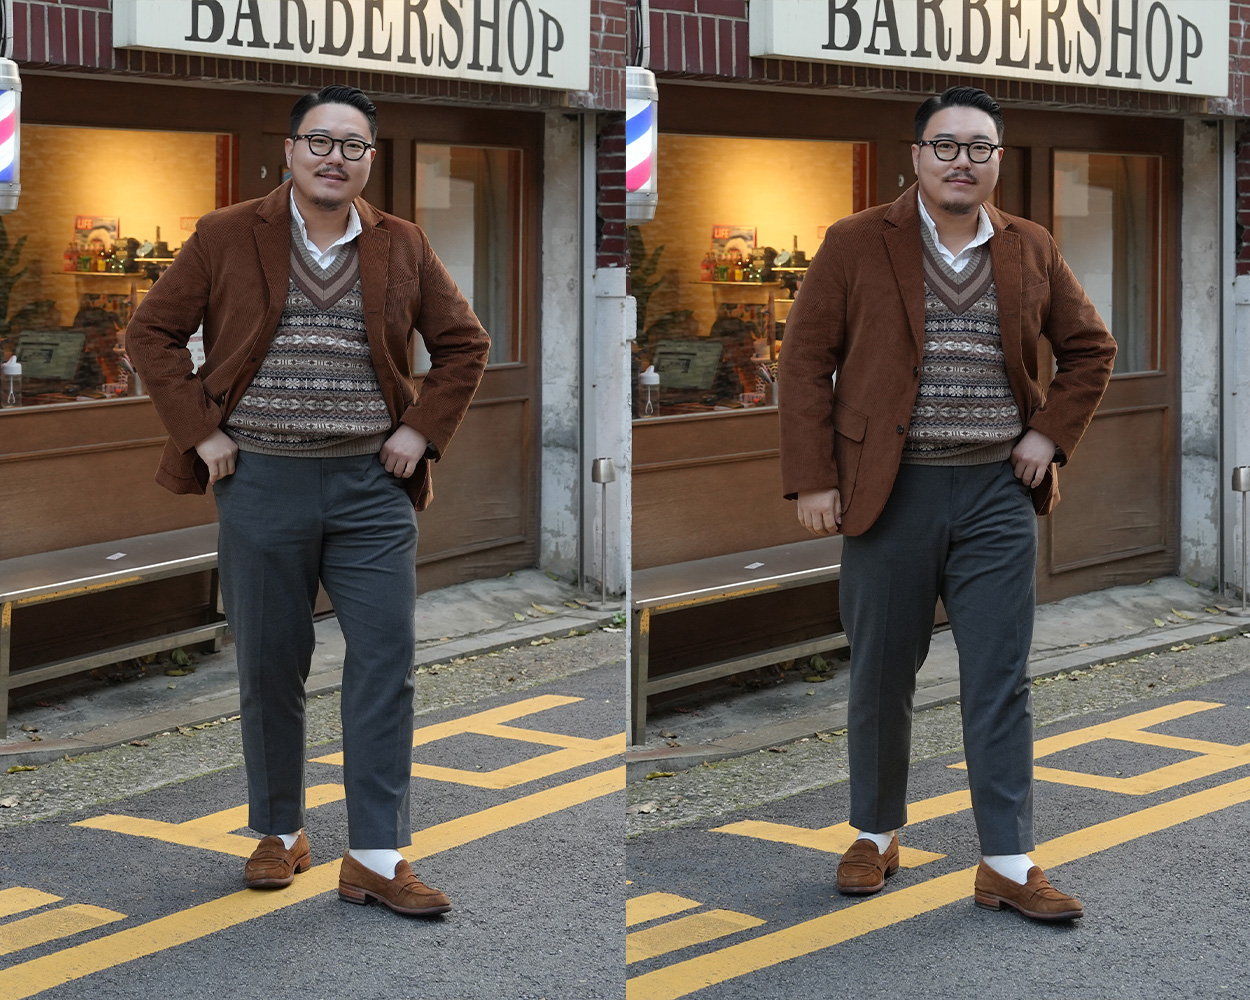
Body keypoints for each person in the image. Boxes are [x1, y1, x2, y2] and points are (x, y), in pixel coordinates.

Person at [126, 85, 490, 916]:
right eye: (320, 141)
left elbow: (464, 344)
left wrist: (422, 432)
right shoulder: (226, 234)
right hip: (259, 481)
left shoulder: (401, 243)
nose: (335, 157)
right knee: (269, 662)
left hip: (373, 487)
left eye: (353, 146)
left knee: (385, 663)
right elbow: (150, 333)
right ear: (288, 152)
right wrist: (201, 432)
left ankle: (374, 854)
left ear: (370, 161)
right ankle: (280, 831)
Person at [778, 87, 1115, 922]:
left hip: (999, 493)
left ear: (999, 161)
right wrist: (814, 477)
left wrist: (1048, 435)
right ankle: (875, 835)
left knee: (999, 678)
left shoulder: (1030, 247)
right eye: (945, 146)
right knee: (883, 674)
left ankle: (1006, 861)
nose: (962, 161)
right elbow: (804, 361)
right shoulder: (856, 241)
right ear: (916, 156)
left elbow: (1090, 348)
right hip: (891, 492)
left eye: (979, 148)